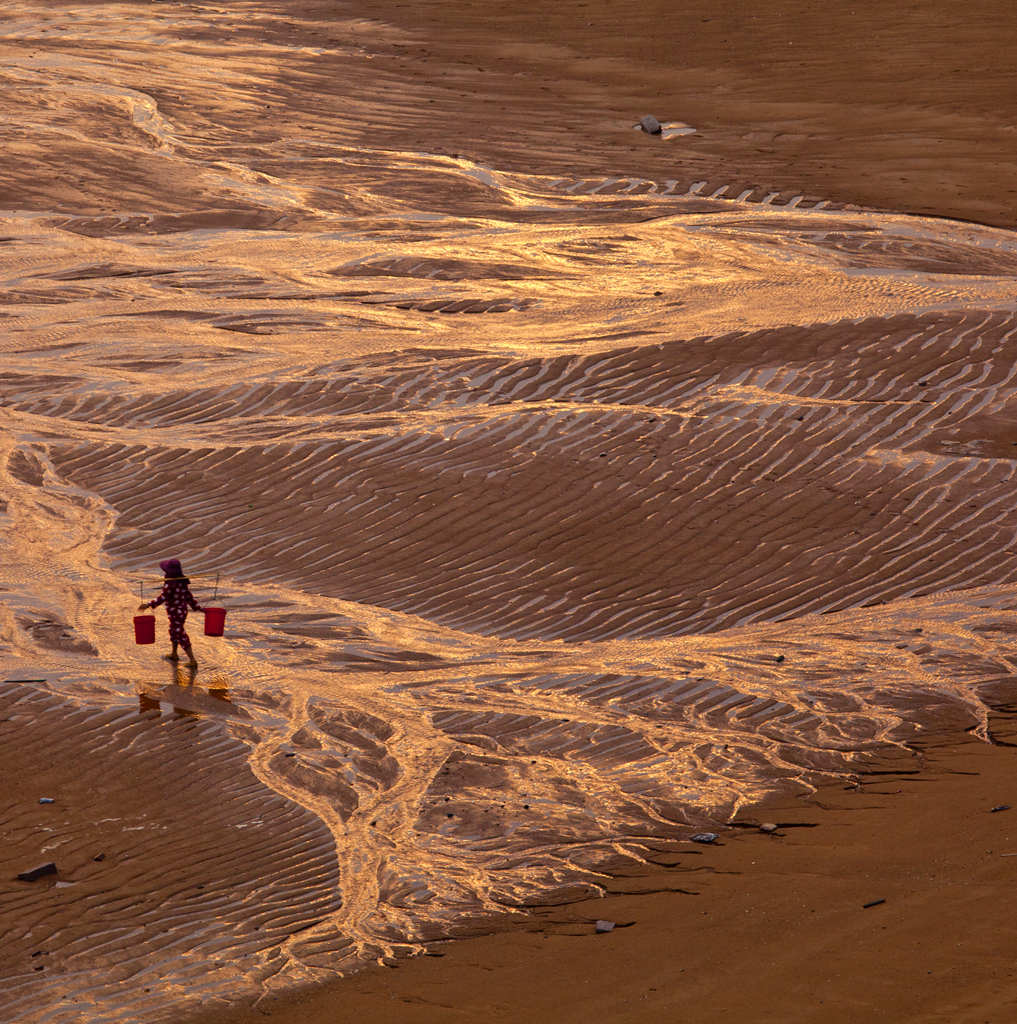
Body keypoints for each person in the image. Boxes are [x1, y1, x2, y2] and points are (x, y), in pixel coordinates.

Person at [138, 558, 203, 668]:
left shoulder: (170, 585)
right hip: (181, 612)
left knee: (180, 634)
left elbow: (162, 597)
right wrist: (197, 607)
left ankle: (193, 660)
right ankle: (174, 653)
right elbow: (188, 596)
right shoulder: (182, 582)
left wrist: (148, 605)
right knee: (173, 631)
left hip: (175, 614)